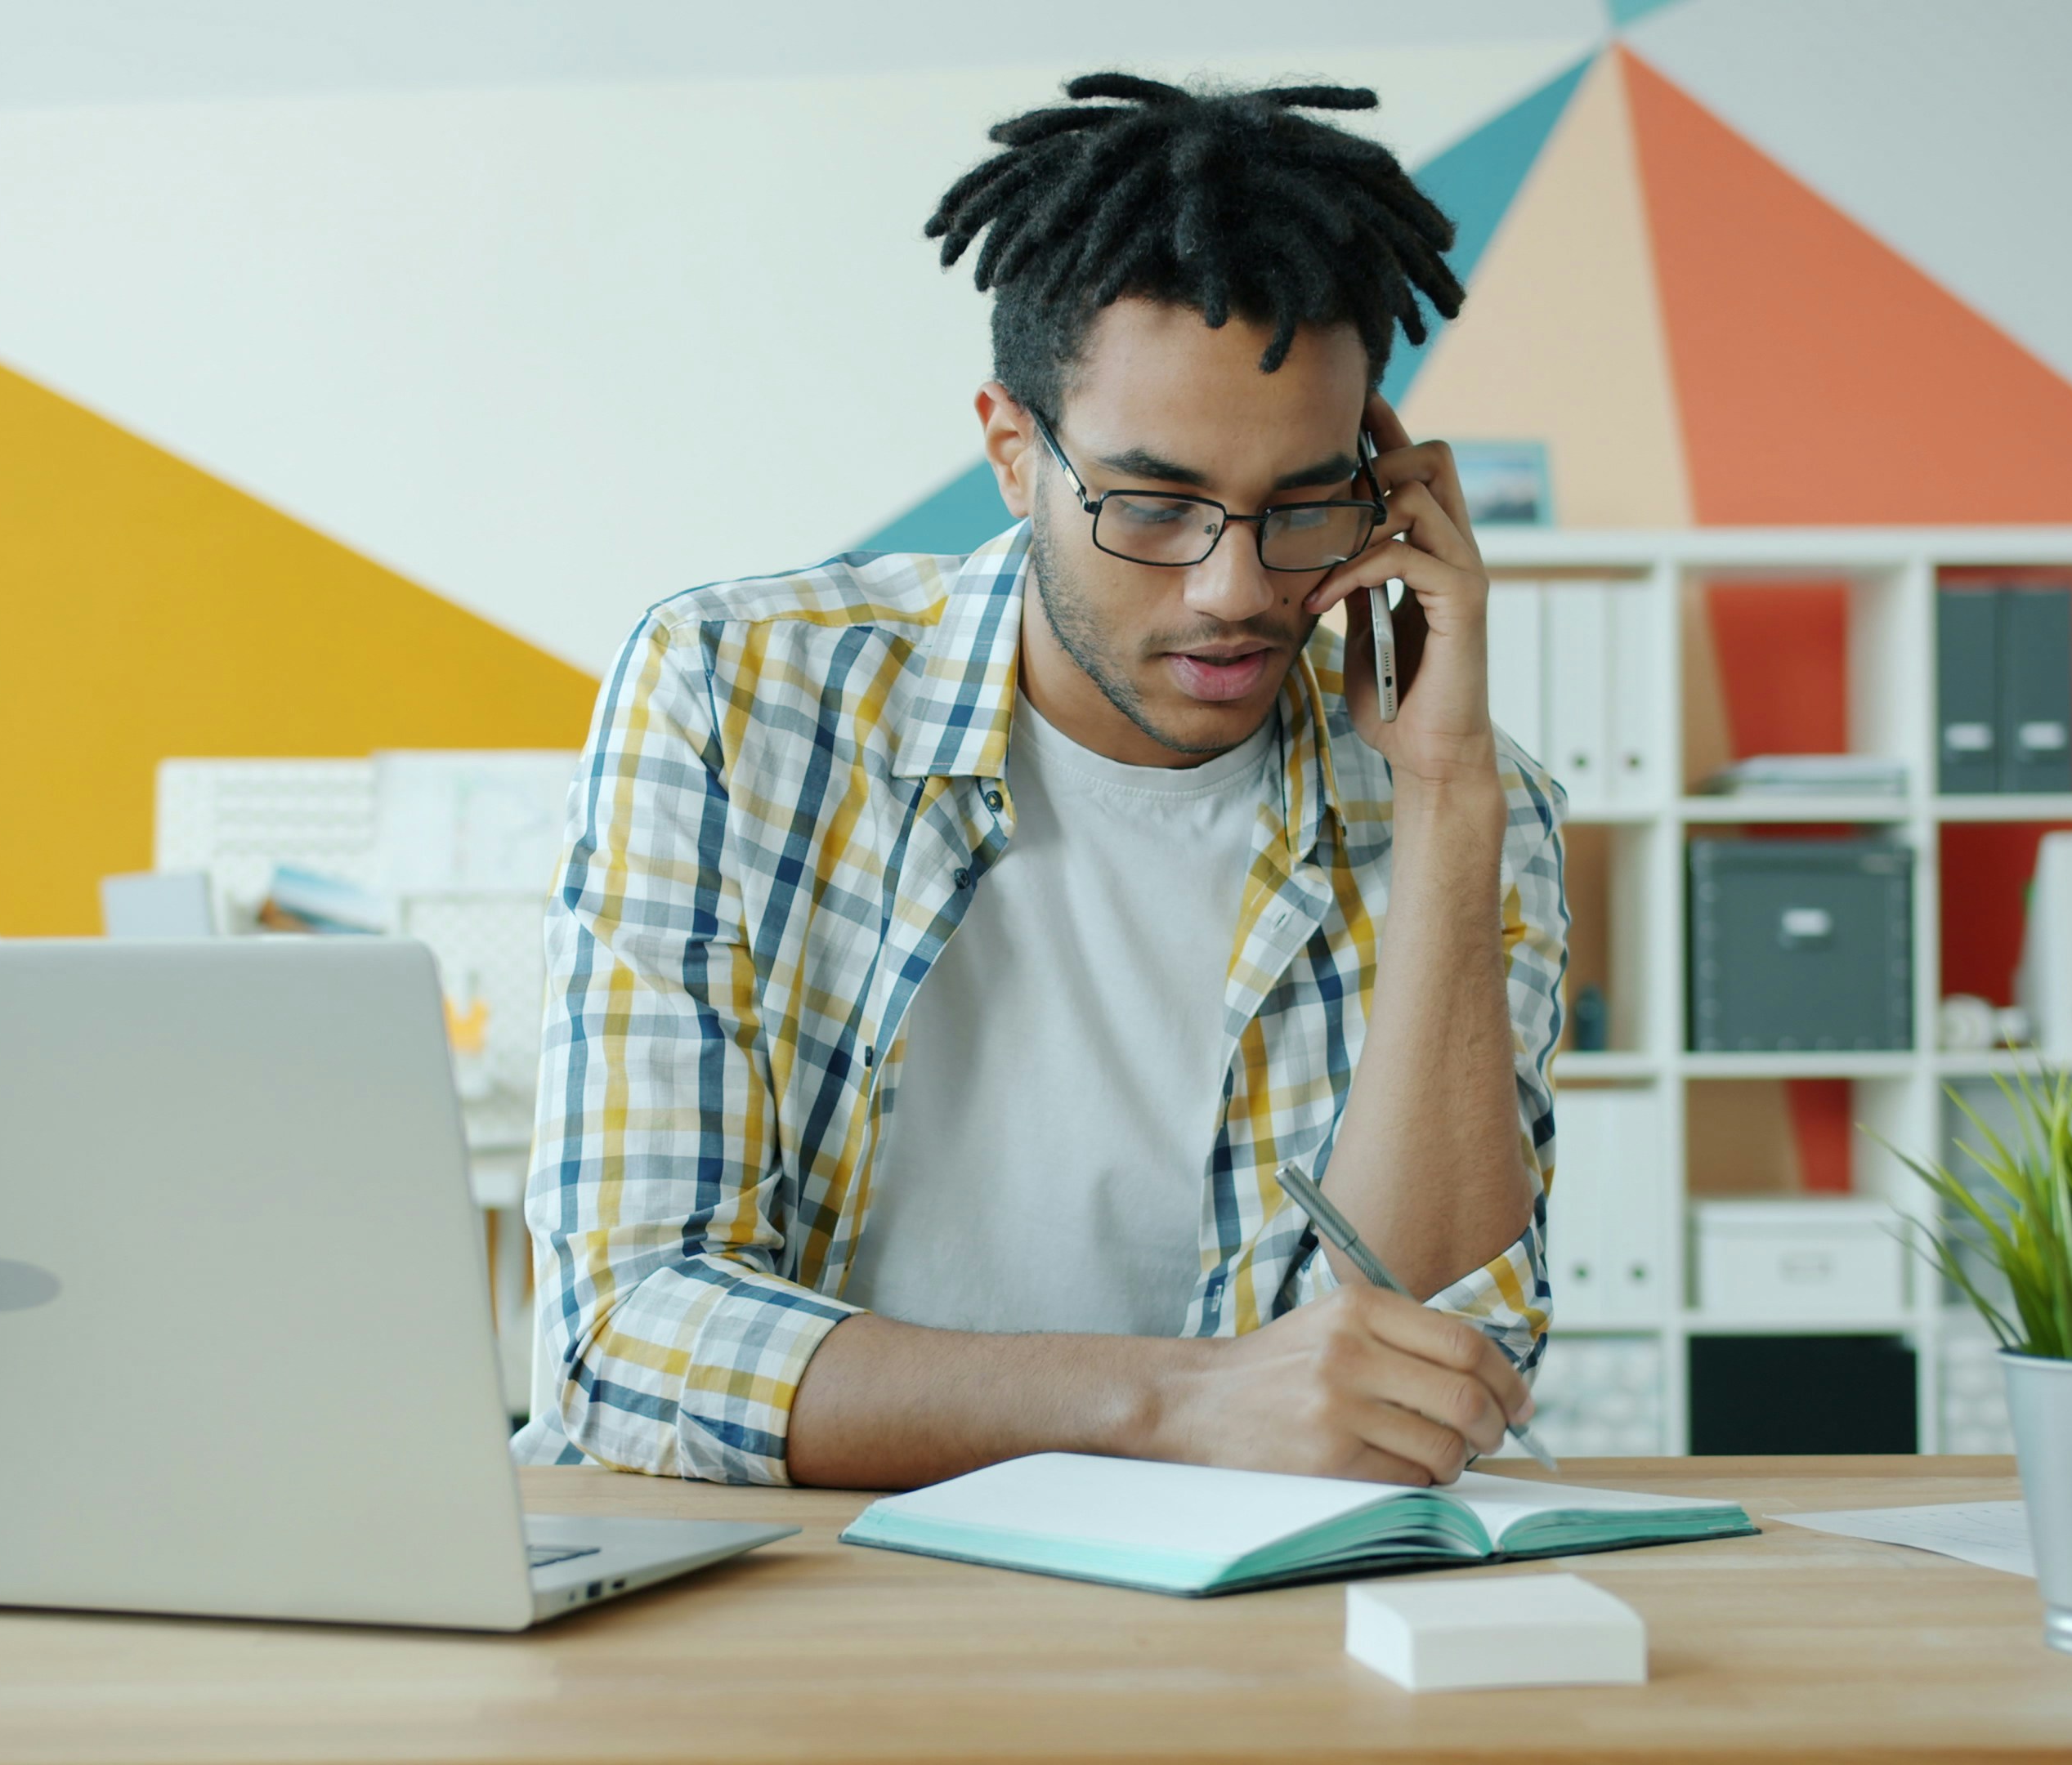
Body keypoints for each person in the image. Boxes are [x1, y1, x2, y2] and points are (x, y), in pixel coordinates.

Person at [514, 73, 1569, 1490]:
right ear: (1015, 453)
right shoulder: (736, 696)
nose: (1236, 589)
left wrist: (1448, 804)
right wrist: (1169, 1405)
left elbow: (1445, 1369)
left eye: (1306, 507)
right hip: (801, 1592)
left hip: (1247, 1622)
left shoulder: (1466, 805)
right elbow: (624, 1334)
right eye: (1152, 505)